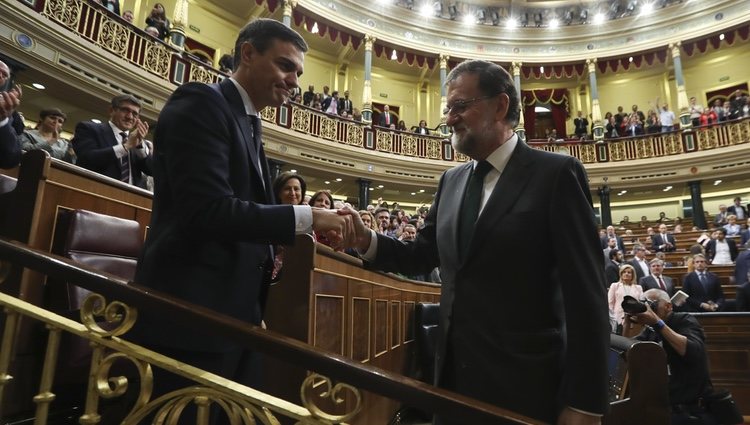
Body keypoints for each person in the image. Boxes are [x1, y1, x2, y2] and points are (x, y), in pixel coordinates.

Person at [342, 60, 608, 424]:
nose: (450, 119)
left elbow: (586, 295)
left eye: (460, 106)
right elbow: (421, 255)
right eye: (448, 109)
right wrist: (366, 239)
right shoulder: (450, 181)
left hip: (526, 386)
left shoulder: (556, 175)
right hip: (451, 383)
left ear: (500, 106)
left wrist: (585, 403)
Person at [133, 18, 353, 401]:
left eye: (298, 73)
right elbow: (209, 211)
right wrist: (309, 217)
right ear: (248, 53)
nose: (294, 81)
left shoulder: (250, 122)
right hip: (190, 317)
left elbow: (248, 214)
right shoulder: (202, 101)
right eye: (286, 66)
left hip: (236, 316)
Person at [629, 289, 716, 425]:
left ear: (669, 306)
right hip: (665, 408)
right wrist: (628, 323)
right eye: (643, 303)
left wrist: (658, 323)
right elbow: (628, 350)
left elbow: (692, 351)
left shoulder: (684, 320)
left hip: (692, 410)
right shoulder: (650, 329)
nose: (648, 308)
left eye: (651, 304)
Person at [71, 94, 153, 188]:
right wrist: (125, 147)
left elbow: (152, 171)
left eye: (134, 114)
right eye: (125, 110)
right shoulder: (88, 128)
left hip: (130, 198)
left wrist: (139, 148)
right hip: (94, 191)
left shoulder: (136, 140)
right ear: (111, 110)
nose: (130, 117)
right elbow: (87, 159)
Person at [608, 264, 643, 334]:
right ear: (621, 274)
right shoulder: (615, 286)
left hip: (633, 319)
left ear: (633, 275)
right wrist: (612, 319)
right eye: (624, 272)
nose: (626, 274)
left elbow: (641, 303)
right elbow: (610, 304)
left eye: (629, 272)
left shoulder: (638, 287)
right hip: (617, 318)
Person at [0, 59, 22, 169]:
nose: (0, 75)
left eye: (4, 75)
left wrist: (2, 120)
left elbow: (10, 159)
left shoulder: (3, 106)